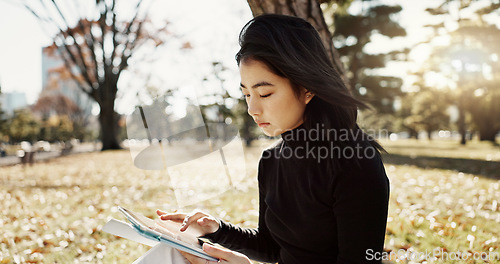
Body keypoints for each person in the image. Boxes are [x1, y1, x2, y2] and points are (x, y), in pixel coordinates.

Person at [157, 14, 390, 264]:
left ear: (307, 88)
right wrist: (216, 230)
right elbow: (272, 247)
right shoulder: (272, 160)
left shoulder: (354, 162)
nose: (252, 109)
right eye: (246, 95)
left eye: (265, 93)